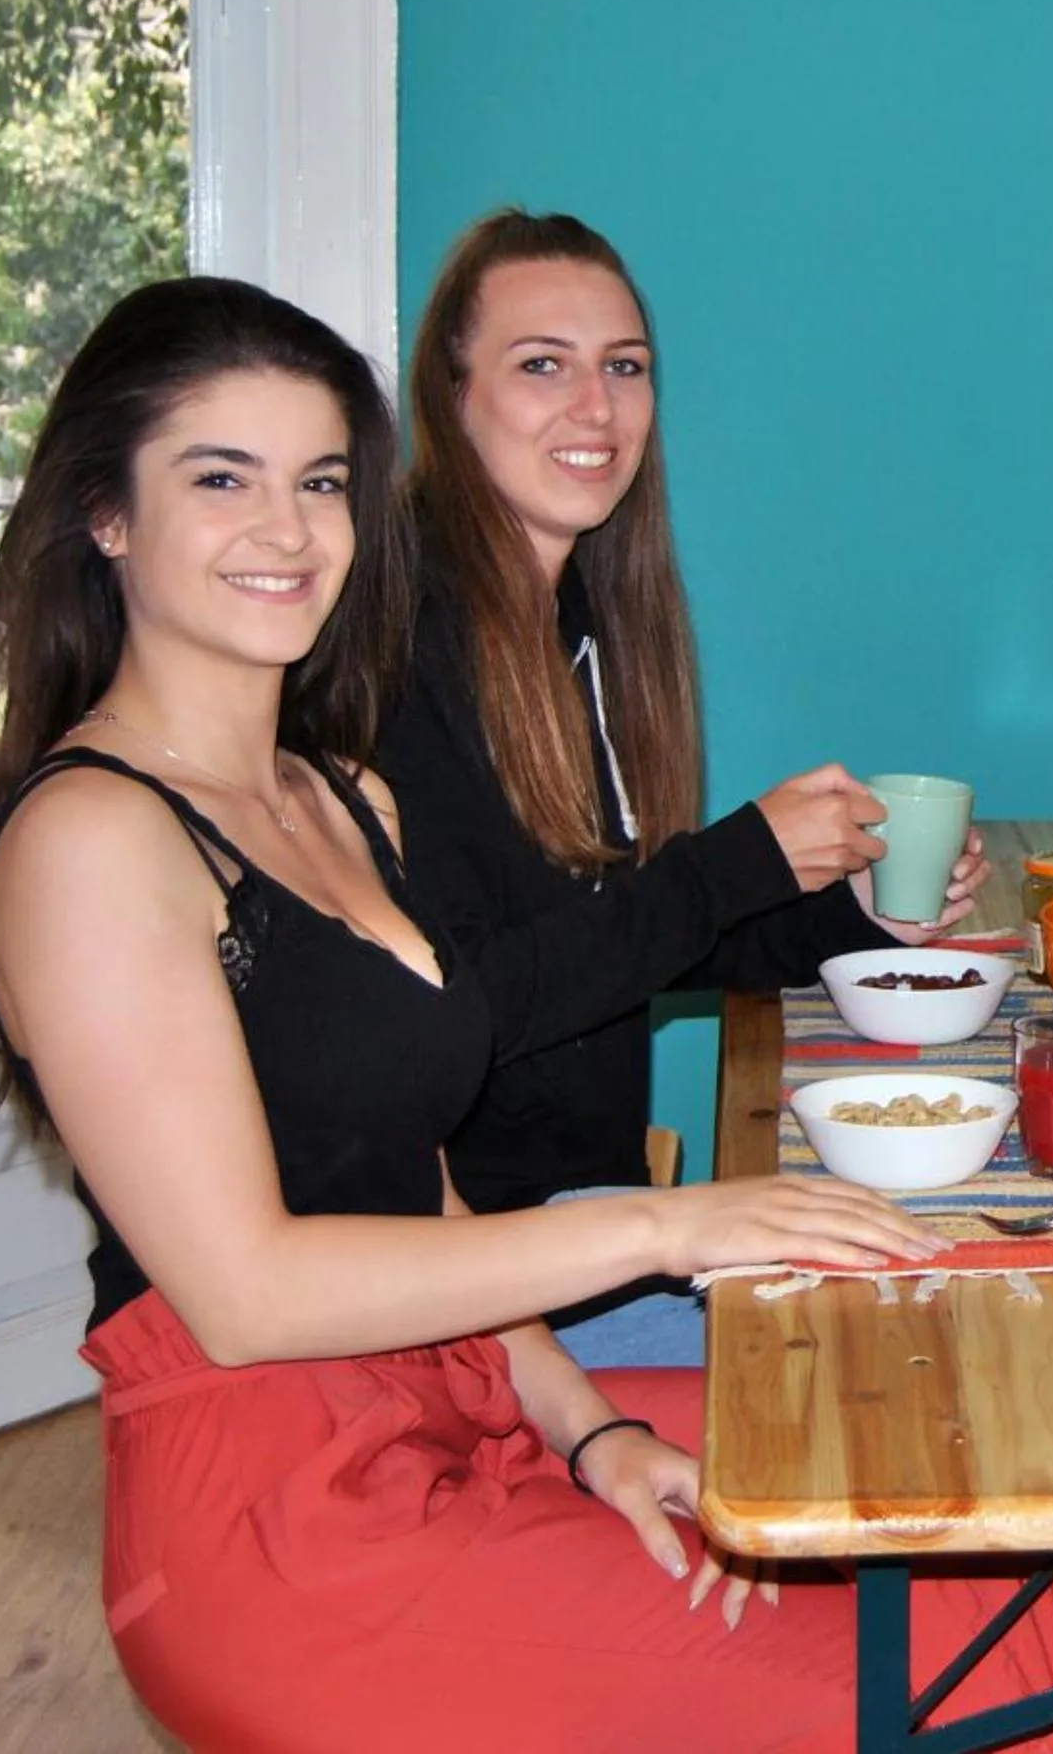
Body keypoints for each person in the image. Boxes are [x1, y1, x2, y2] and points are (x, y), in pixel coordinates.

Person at [0, 276, 1053, 1751]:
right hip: (279, 1514)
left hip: (461, 1397)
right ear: (106, 516)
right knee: (940, 1690)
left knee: (968, 1539)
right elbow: (243, 1294)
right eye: (220, 478)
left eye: (319, 482)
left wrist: (594, 1429)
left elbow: (428, 1203)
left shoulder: (336, 800)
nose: (289, 530)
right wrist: (671, 1228)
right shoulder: (94, 840)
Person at [377, 210, 985, 1361]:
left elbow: (630, 943)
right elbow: (474, 1009)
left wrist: (848, 912)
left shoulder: (579, 624)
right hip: (489, 1281)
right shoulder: (402, 648)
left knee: (955, 1297)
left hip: (592, 1227)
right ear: (450, 396)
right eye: (540, 365)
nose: (595, 408)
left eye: (625, 368)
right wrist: (736, 860)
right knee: (919, 1362)